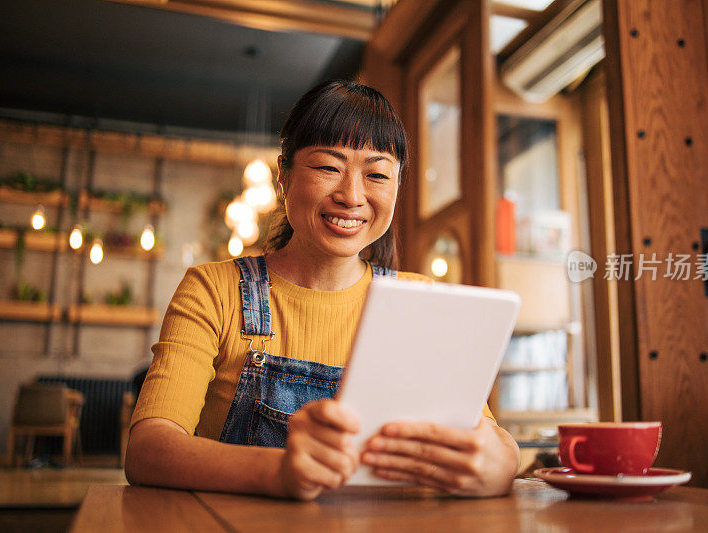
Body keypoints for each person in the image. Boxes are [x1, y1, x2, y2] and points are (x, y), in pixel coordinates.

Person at [125, 80, 520, 501]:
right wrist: (280, 472)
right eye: (328, 167)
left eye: (377, 174)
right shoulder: (213, 290)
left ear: (397, 186)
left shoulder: (422, 301)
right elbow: (148, 449)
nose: (351, 196)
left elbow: (490, 436)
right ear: (284, 176)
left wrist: (501, 464)